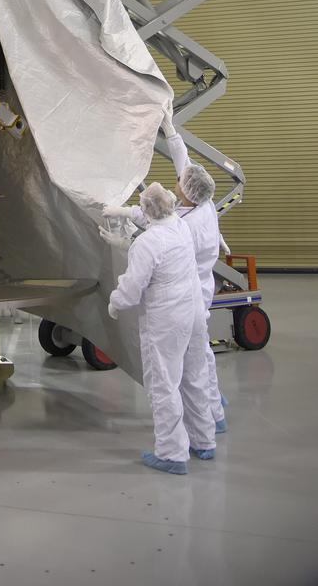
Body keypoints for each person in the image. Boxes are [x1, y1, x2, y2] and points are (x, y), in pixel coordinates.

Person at [105, 122, 229, 434]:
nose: (176, 182)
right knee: (198, 366)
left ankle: (199, 424)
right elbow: (179, 174)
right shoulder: (199, 205)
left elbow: (152, 253)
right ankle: (210, 421)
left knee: (182, 370)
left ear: (186, 195)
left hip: (185, 299)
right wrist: (171, 131)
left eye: (178, 183)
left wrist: (128, 241)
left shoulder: (185, 229)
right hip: (192, 297)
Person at [107, 182, 217, 474]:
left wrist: (115, 302)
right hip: (193, 313)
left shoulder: (147, 243)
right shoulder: (180, 226)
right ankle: (204, 441)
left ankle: (171, 454)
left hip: (166, 320)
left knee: (164, 384)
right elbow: (154, 229)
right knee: (194, 377)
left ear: (146, 210)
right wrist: (127, 225)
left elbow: (132, 288)